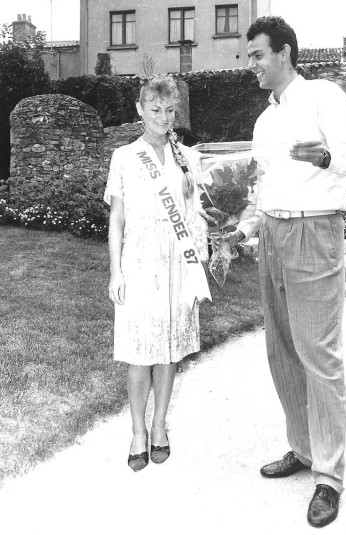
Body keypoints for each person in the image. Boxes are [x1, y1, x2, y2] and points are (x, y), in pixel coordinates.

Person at [224, 16, 346, 528]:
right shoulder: (265, 121)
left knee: (319, 354)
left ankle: (329, 477)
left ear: (284, 53)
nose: (252, 66)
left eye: (257, 55)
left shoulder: (324, 95)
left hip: (315, 234)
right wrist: (243, 229)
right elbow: (261, 188)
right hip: (272, 233)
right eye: (248, 57)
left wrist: (327, 156)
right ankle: (304, 449)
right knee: (282, 348)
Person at [104, 75, 211, 472]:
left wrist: (203, 254)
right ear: (139, 110)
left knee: (168, 348)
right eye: (154, 110)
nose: (162, 118)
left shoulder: (189, 157)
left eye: (169, 110)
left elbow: (198, 215)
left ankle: (160, 425)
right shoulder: (124, 157)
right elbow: (116, 219)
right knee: (138, 351)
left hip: (179, 265)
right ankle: (137, 431)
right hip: (139, 263)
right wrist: (116, 271)